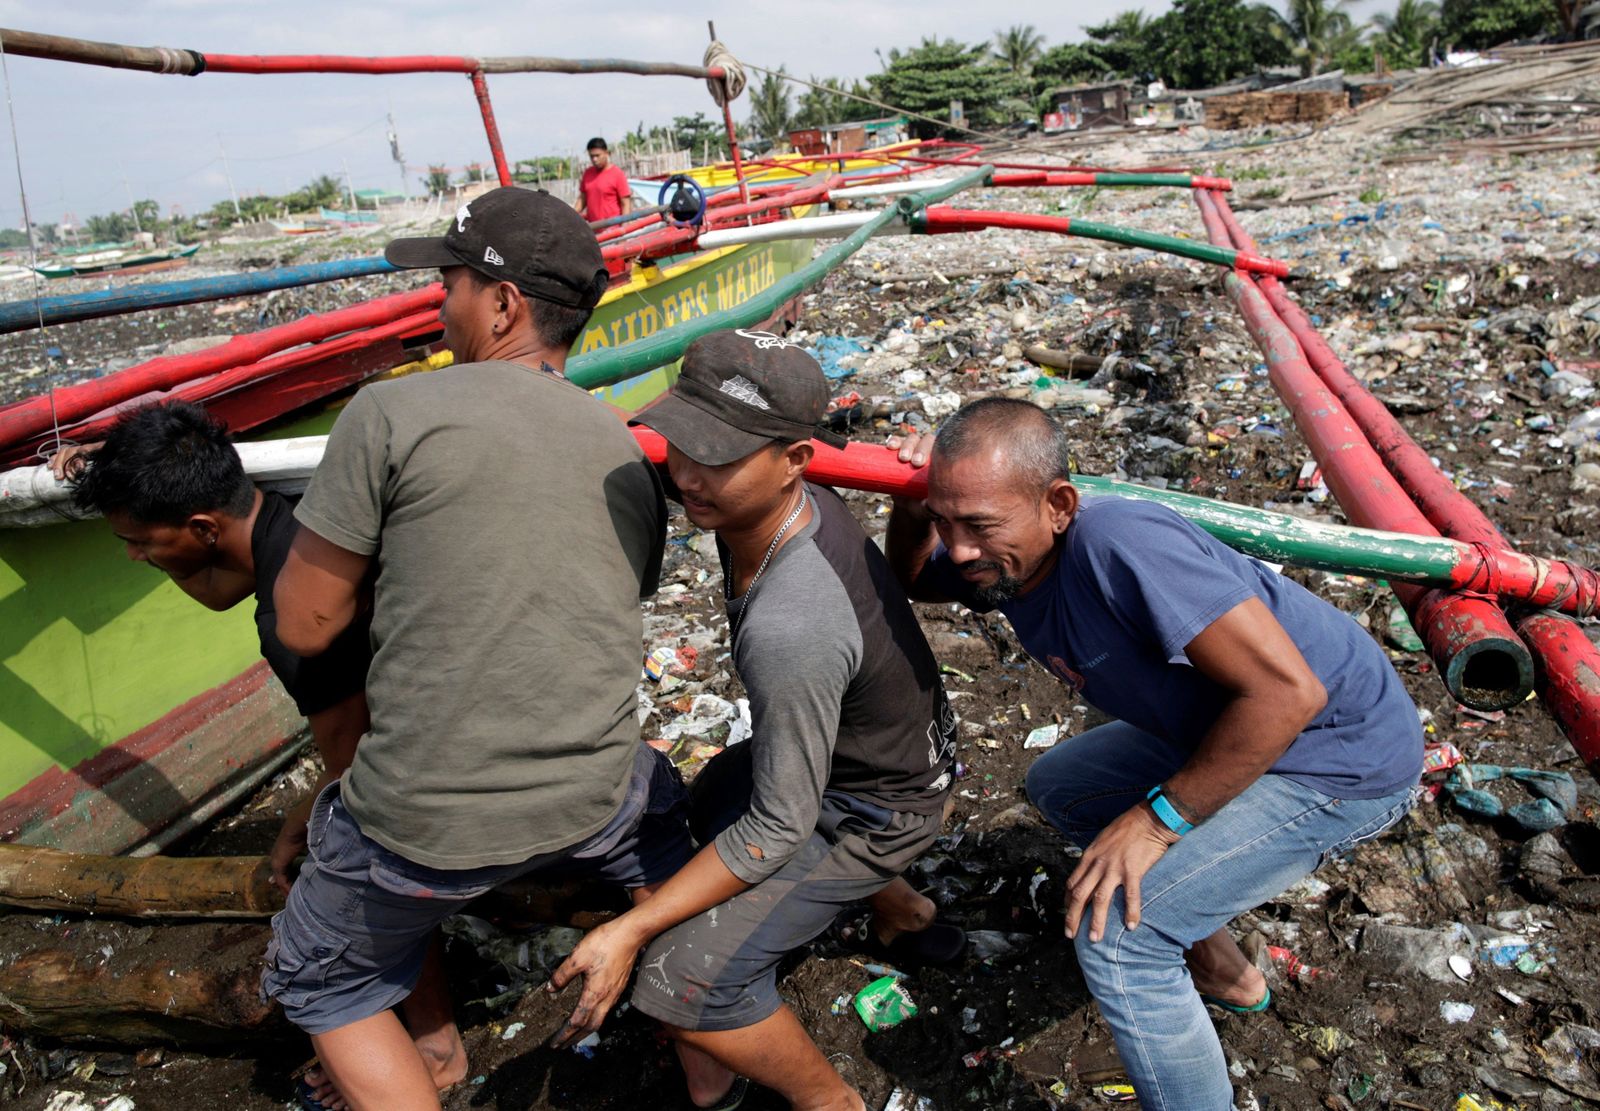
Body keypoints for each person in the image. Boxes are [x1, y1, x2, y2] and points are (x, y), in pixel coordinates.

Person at [263, 185, 690, 1111]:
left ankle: (435, 1059)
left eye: (450, 281)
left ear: (503, 304)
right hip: (594, 797)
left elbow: (302, 624)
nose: (439, 302)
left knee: (319, 976)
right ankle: (713, 1070)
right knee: (666, 824)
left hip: (427, 823)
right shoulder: (624, 443)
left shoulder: (388, 414)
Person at [886, 398, 1422, 1111]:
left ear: (1058, 504)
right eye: (945, 521)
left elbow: (1291, 695)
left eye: (977, 525)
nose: (959, 548)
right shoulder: (1004, 561)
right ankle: (1222, 965)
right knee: (1063, 786)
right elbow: (917, 576)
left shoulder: (1119, 542)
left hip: (1337, 752)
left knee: (1120, 943)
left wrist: (1158, 818)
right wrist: (911, 500)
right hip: (1223, 727)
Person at [549, 330, 960, 1111]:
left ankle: (827, 1100)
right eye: (684, 443)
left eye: (722, 455)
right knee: (704, 806)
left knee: (672, 975)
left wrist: (629, 933)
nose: (691, 475)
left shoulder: (791, 620)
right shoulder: (780, 507)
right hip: (879, 746)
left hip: (880, 804)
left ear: (798, 459)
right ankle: (901, 910)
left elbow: (777, 824)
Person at [59, 405, 443, 1109]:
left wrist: (300, 822)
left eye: (140, 541)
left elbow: (358, 771)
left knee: (331, 876)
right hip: (473, 720)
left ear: (203, 527)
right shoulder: (294, 522)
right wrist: (114, 477)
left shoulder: (294, 615)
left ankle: (433, 1038)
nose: (133, 556)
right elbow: (215, 585)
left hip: (437, 772)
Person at [575, 136, 634, 222]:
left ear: (606, 153)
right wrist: (570, 214)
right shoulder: (588, 173)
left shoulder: (617, 174)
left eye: (597, 155)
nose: (594, 159)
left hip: (613, 228)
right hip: (593, 229)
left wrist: (624, 226)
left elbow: (626, 203)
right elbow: (582, 199)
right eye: (592, 156)